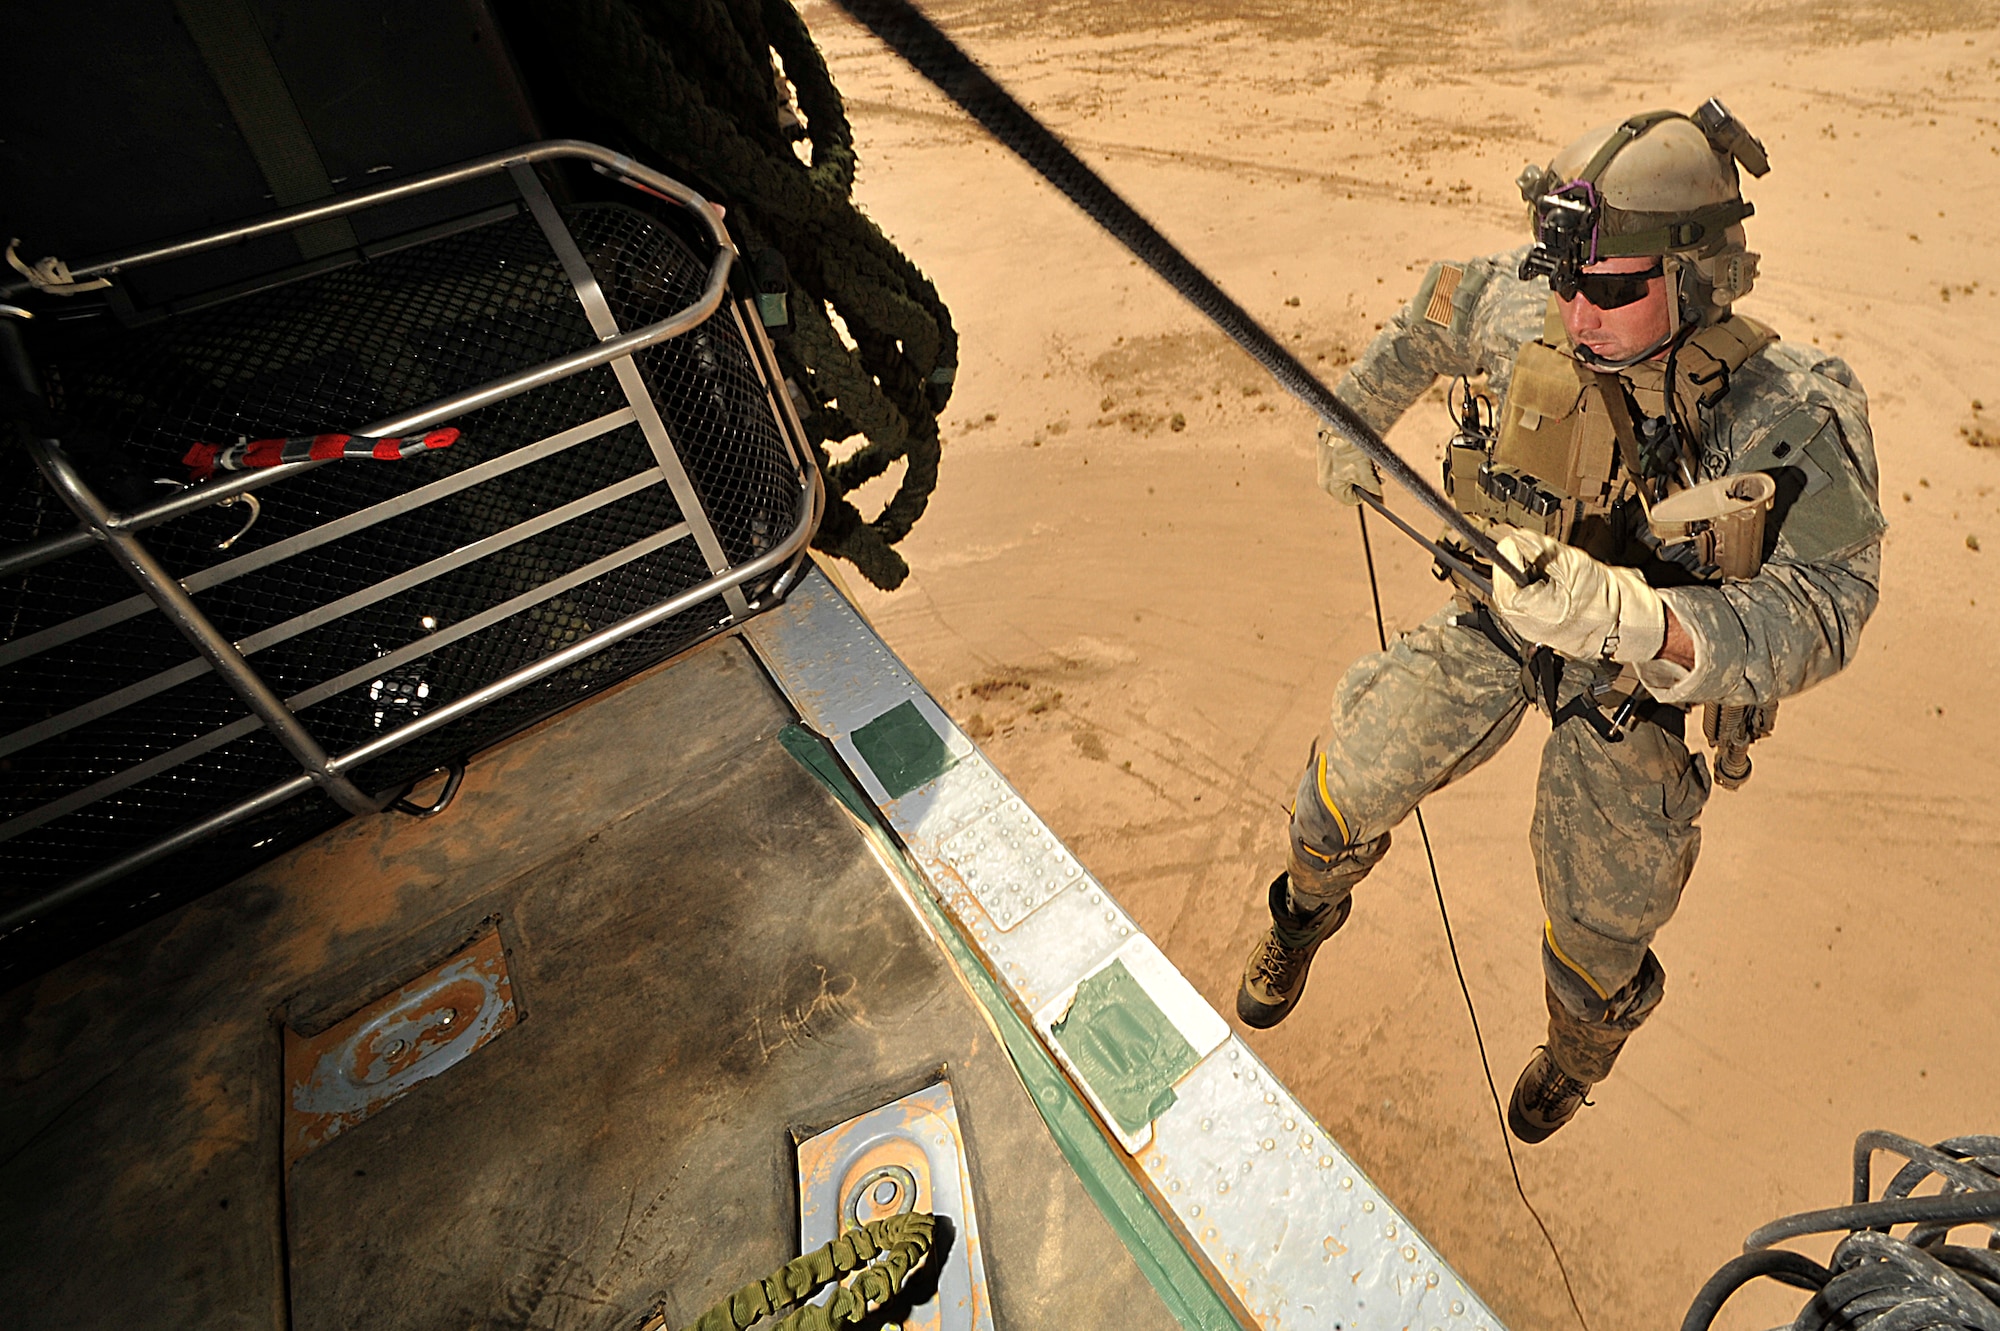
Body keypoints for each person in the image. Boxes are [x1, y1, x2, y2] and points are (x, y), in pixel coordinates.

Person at [1235, 102, 1885, 1143]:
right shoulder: (1528, 303)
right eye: (1565, 278)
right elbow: (1424, 321)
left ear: (1697, 274)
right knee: (1345, 781)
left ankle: (1573, 1059)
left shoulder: (1785, 408)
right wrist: (1348, 417)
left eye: (1610, 289)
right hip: (1500, 616)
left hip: (1634, 685)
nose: (1577, 312)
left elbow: (1829, 602)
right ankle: (1300, 912)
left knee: (1598, 926)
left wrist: (1641, 621)